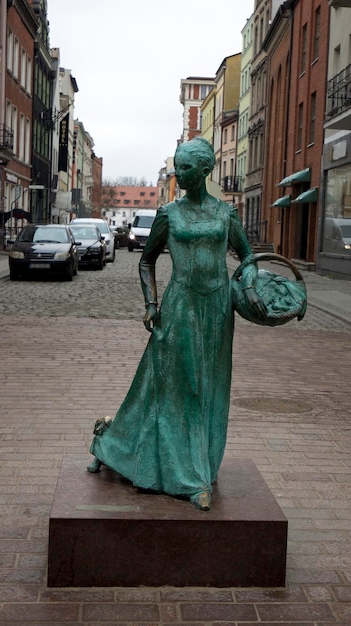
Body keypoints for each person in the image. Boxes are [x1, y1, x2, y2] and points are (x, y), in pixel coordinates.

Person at [87, 137, 266, 510]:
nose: (178, 173)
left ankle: (202, 461)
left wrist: (249, 285)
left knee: (210, 386)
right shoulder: (169, 213)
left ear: (204, 171)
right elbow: (146, 260)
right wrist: (151, 304)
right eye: (176, 167)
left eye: (185, 168)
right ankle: (190, 477)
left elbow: (247, 257)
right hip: (180, 305)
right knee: (185, 388)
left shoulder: (226, 214)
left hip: (217, 308)